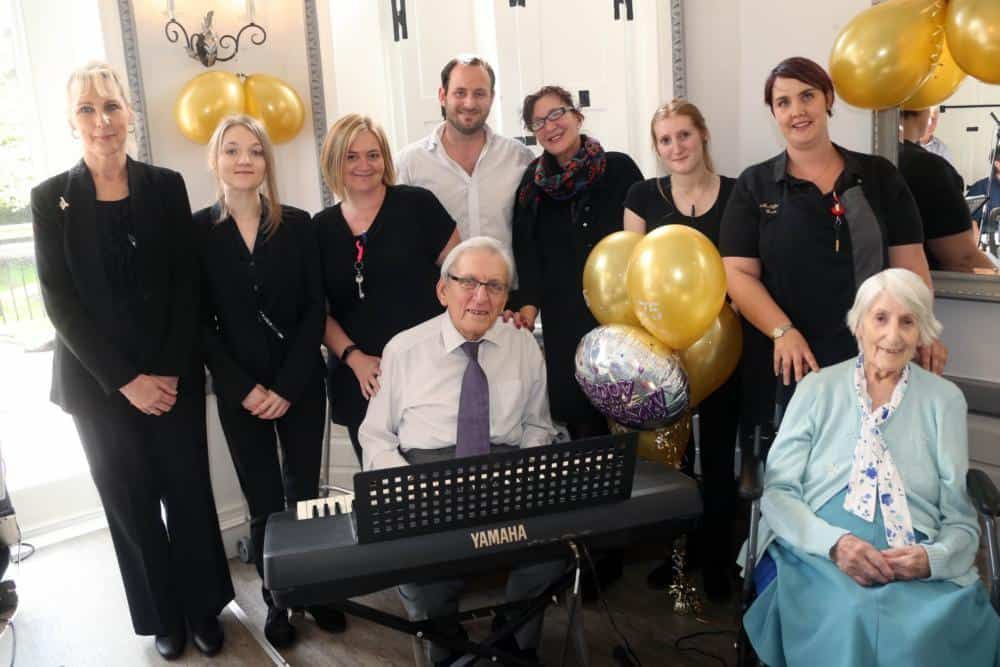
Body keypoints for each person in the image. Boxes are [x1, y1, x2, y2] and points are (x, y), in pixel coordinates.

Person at [31, 62, 233, 660]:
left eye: (112, 107)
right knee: (130, 500)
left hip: (172, 376)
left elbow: (184, 284)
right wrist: (125, 381)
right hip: (97, 386)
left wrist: (166, 372)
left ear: (130, 115)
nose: (102, 121)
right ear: (72, 122)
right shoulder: (50, 199)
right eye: (88, 110)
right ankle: (161, 614)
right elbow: (58, 301)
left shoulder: (166, 185)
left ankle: (203, 608)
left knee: (189, 492)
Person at [741, 268, 1000, 666]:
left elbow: (959, 517)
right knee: (851, 614)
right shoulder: (817, 388)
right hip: (818, 549)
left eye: (908, 322)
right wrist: (836, 543)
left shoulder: (945, 400)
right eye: (880, 318)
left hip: (913, 547)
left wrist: (932, 559)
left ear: (922, 333)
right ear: (858, 325)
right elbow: (778, 492)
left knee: (927, 628)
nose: (893, 336)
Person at [719, 56, 946, 436]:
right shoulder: (755, 185)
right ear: (773, 113)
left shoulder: (877, 176)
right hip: (792, 363)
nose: (797, 111)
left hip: (875, 357)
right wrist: (781, 331)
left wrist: (921, 329)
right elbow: (736, 273)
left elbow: (910, 266)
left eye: (807, 96)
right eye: (783, 102)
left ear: (828, 98)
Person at [359, 236, 560, 666]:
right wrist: (407, 490)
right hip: (425, 474)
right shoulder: (405, 350)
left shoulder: (523, 346)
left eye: (494, 286)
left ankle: (512, 637)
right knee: (421, 566)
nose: (480, 297)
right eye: (467, 282)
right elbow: (376, 437)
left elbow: (537, 425)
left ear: (507, 295)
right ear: (442, 290)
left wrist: (526, 476)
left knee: (556, 545)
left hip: (507, 469)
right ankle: (447, 646)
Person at [194, 114, 344, 648]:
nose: (243, 160)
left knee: (304, 497)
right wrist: (244, 388)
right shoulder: (198, 231)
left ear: (266, 163)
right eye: (231, 150)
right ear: (216, 160)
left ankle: (317, 587)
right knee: (263, 504)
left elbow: (313, 310)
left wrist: (287, 384)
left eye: (254, 151)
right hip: (241, 393)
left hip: (299, 385)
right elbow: (200, 324)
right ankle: (278, 600)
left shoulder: (298, 224)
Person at [623, 99, 739, 600]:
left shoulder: (738, 194)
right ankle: (679, 553)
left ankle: (717, 558)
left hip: (723, 349)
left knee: (718, 457)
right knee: (673, 459)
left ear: (703, 135)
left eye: (684, 135)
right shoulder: (641, 197)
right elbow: (629, 279)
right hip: (662, 354)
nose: (676, 147)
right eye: (665, 140)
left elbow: (745, 271)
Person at [317, 114, 460, 461]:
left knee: (437, 482)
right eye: (351, 156)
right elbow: (316, 312)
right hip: (363, 379)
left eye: (373, 154)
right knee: (384, 491)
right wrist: (355, 359)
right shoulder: (318, 229)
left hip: (430, 372)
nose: (364, 164)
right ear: (335, 161)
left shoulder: (418, 205)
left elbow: (463, 278)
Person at [509, 85, 643, 438]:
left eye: (557, 114)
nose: (550, 126)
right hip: (564, 318)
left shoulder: (619, 168)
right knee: (584, 424)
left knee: (636, 409)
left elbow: (642, 242)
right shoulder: (531, 185)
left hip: (620, 315)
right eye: (539, 122)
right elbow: (527, 250)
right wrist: (528, 306)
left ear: (577, 116)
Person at [395, 55, 534, 256]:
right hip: (437, 287)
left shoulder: (519, 158)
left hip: (506, 287)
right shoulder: (409, 164)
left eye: (479, 93)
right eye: (460, 93)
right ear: (442, 96)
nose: (469, 103)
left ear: (491, 98)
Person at [898, 108, 995, 272]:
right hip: (928, 289)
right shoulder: (929, 168)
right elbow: (963, 259)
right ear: (924, 110)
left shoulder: (866, 158)